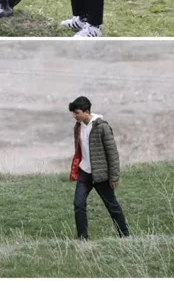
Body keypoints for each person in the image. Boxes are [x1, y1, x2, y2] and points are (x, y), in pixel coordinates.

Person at [68, 96, 129, 240]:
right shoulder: (78, 127)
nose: (74, 116)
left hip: (101, 175)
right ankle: (83, 238)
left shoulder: (102, 127)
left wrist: (114, 176)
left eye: (76, 113)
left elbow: (113, 153)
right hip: (85, 173)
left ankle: (125, 235)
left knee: (112, 206)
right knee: (78, 204)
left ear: (86, 111)